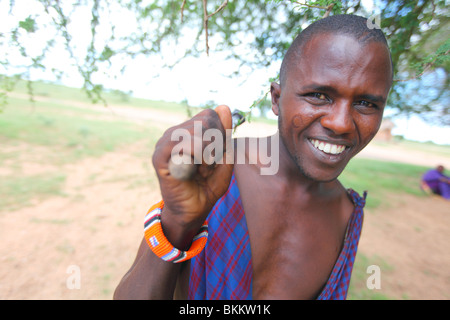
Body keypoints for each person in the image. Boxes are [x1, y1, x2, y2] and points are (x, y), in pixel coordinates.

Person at [114, 14, 394, 300]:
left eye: (366, 103)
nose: (341, 123)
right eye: (319, 95)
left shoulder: (346, 216)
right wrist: (178, 220)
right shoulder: (215, 168)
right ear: (276, 98)